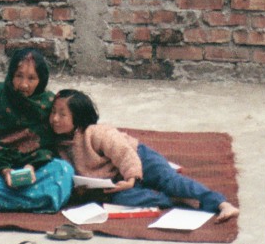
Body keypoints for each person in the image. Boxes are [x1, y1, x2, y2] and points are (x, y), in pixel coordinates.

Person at [49, 88, 239, 221]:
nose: (55, 119)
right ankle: (174, 199)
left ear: (78, 117)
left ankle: (221, 204)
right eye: (53, 112)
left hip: (139, 158)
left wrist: (132, 177)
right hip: (116, 177)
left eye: (62, 114)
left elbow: (125, 154)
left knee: (170, 181)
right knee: (120, 199)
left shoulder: (97, 133)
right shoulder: (59, 145)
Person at [0, 48, 74, 212]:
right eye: (19, 76)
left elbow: (50, 146)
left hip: (33, 170)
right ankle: (39, 200)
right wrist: (5, 171)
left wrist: (30, 167)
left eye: (31, 78)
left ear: (41, 80)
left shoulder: (47, 103)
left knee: (64, 170)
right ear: (11, 75)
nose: (24, 84)